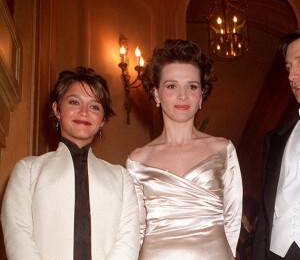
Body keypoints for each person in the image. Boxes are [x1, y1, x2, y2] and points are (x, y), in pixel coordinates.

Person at [1, 67, 140, 260]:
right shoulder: (27, 170)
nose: (84, 112)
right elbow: (18, 233)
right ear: (57, 109)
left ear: (103, 120)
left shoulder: (122, 178)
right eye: (74, 102)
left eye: (95, 106)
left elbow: (129, 238)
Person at [126, 39, 243, 259]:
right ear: (156, 94)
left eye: (192, 86)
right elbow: (137, 231)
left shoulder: (223, 150)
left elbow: (233, 222)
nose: (183, 95)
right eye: (171, 86)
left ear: (201, 95)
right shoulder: (137, 160)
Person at [252, 30, 300, 260]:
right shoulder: (275, 138)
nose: (292, 76)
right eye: (289, 67)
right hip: (278, 253)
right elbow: (265, 214)